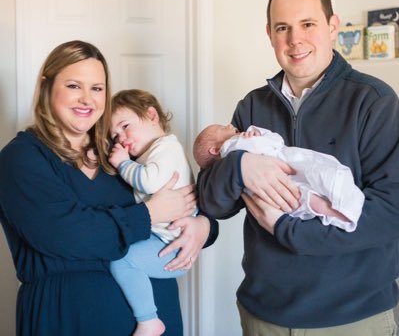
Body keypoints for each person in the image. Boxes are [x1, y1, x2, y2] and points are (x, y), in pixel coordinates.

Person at [197, 0, 399, 336]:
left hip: (354, 318)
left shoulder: (374, 102)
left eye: (307, 24)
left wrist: (287, 229)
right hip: (264, 315)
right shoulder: (252, 106)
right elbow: (214, 203)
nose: (294, 39)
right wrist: (241, 167)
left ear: (333, 26)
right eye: (282, 28)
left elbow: (390, 214)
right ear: (269, 34)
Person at [0, 40, 218, 336]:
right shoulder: (22, 158)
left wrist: (204, 226)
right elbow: (66, 235)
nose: (87, 99)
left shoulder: (120, 152)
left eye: (97, 88)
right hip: (66, 319)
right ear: (47, 86)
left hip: (157, 316)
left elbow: (183, 194)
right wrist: (148, 215)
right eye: (74, 86)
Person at [108, 88, 197, 336]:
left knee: (121, 260)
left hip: (174, 248)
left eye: (125, 126)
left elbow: (149, 182)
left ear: (151, 115)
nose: (121, 138)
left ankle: (148, 320)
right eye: (114, 135)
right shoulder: (154, 153)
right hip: (164, 240)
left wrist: (123, 163)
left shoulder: (166, 149)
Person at [193, 123, 364, 232]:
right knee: (320, 175)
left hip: (347, 268)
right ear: (215, 150)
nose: (230, 125)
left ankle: (328, 208)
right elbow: (210, 201)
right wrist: (238, 165)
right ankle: (342, 208)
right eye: (223, 128)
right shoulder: (232, 144)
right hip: (281, 180)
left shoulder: (373, 99)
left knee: (301, 197)